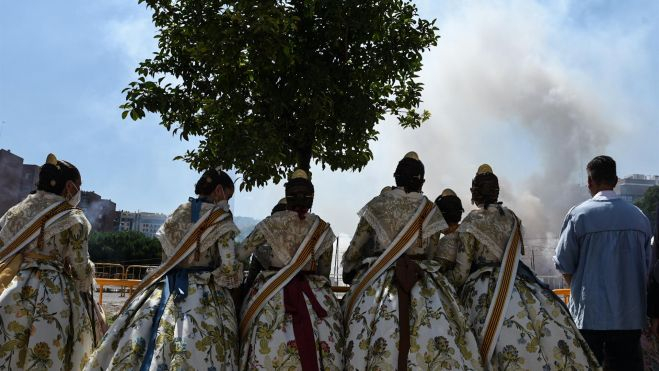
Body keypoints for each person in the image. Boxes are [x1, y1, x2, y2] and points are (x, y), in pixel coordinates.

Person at [443, 164, 599, 370]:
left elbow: (462, 271)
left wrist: (444, 284)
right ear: (496, 190)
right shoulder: (512, 218)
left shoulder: (471, 221)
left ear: (475, 193)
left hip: (481, 290)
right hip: (520, 285)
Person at [86, 168, 243, 370]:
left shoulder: (179, 211)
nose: (227, 202)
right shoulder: (221, 218)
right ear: (219, 191)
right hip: (205, 292)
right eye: (228, 197)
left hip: (166, 287)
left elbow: (165, 258)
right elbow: (228, 267)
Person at [342, 152, 483, 371]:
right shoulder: (430, 210)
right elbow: (432, 252)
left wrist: (350, 270)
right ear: (422, 182)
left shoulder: (377, 204)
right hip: (422, 279)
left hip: (378, 278)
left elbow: (356, 247)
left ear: (396, 176)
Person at [0, 153, 105, 370]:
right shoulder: (74, 217)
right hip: (55, 295)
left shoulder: (15, 211)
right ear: (69, 186)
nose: (79, 192)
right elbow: (80, 268)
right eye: (79, 186)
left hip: (11, 286)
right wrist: (89, 273)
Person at [237, 170, 342, 371]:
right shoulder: (322, 228)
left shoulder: (270, 224)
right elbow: (323, 271)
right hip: (312, 296)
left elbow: (240, 253)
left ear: (288, 195)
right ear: (311, 198)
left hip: (271, 294)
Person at [555, 155, 653, 370]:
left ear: (590, 181)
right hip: (630, 319)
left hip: (589, 320)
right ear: (616, 181)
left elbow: (564, 263)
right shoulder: (639, 218)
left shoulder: (578, 215)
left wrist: (580, 291)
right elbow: (647, 269)